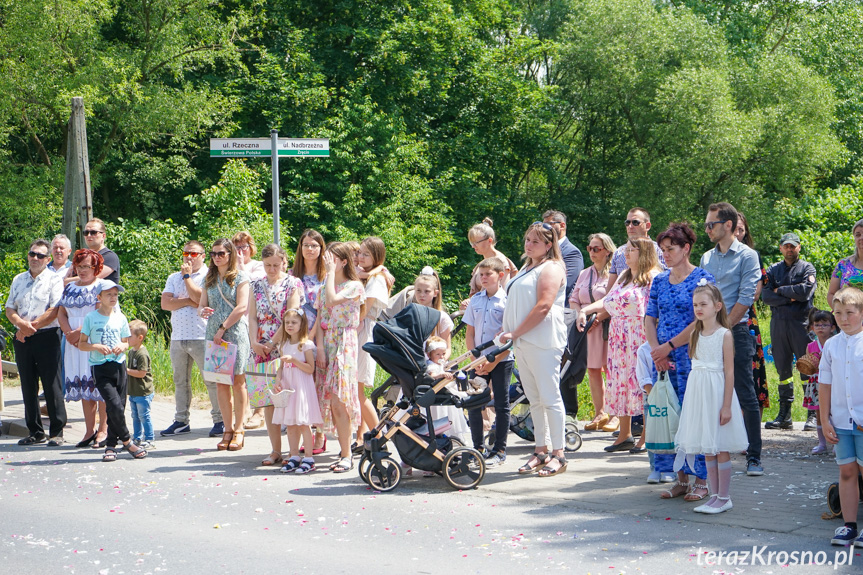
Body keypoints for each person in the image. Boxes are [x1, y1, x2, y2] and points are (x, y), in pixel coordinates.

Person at [643, 223, 712, 500]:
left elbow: (702, 320)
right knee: (671, 417)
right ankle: (680, 478)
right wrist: (656, 351)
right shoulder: (659, 280)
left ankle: (703, 480)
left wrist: (670, 346)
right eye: (662, 250)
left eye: (670, 249)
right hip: (663, 360)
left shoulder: (703, 279)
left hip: (692, 358)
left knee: (695, 416)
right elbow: (650, 317)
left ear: (686, 248)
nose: (665, 255)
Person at [700, 202, 764, 477]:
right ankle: (715, 449)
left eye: (711, 224)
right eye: (705, 224)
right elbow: (702, 295)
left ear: (728, 225)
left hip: (734, 330)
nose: (707, 229)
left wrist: (722, 329)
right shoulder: (705, 257)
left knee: (744, 391)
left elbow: (746, 297)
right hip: (707, 331)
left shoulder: (748, 256)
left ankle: (754, 456)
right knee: (710, 391)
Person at [579, 237, 661, 452]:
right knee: (620, 383)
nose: (626, 253)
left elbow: (657, 309)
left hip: (640, 335)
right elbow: (607, 301)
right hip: (618, 336)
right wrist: (586, 310)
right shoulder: (624, 276)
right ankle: (624, 434)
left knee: (641, 383)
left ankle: (647, 434)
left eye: (632, 250)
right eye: (627, 249)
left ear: (644, 253)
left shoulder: (653, 277)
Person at [500, 222, 569, 477]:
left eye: (535, 242)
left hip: (543, 340)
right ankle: (541, 450)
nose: (529, 245)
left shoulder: (551, 267)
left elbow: (543, 306)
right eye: (527, 240)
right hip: (524, 342)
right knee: (535, 399)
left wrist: (515, 332)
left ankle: (559, 454)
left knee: (550, 398)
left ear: (549, 245)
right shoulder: (528, 267)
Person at [674, 282, 748, 514]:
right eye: (695, 304)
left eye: (703, 304)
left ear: (717, 306)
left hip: (717, 393)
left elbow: (729, 371)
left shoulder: (724, 334)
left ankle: (724, 497)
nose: (698, 308)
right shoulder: (695, 333)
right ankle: (714, 496)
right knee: (708, 447)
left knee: (720, 445)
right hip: (699, 394)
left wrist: (726, 406)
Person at [78, 280, 148, 462]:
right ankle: (127, 441)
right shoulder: (91, 318)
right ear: (99, 297)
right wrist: (96, 346)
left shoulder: (121, 317)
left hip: (119, 366)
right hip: (100, 367)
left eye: (115, 294)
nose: (113, 298)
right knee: (113, 405)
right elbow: (81, 344)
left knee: (118, 408)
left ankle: (110, 446)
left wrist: (122, 346)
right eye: (109, 294)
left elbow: (126, 342)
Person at [4, 239, 66, 446]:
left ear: (48, 259)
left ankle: (57, 432)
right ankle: (35, 431)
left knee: (51, 383)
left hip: (47, 335)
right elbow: (9, 308)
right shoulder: (18, 279)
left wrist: (30, 328)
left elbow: (54, 310)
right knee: (28, 384)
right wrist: (21, 326)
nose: (35, 258)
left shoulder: (54, 279)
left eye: (40, 255)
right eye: (32, 254)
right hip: (22, 337)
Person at [160, 241, 223, 438]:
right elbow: (165, 304)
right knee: (180, 380)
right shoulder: (173, 277)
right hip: (178, 336)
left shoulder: (209, 275)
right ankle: (181, 420)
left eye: (194, 254)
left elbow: (200, 299)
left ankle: (220, 420)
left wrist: (187, 278)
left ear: (203, 256)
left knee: (211, 380)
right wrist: (187, 301)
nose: (189, 257)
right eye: (185, 253)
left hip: (201, 335)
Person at [248, 243, 303, 465]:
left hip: (285, 344)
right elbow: (252, 316)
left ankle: (294, 450)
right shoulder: (255, 285)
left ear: (284, 263)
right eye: (267, 265)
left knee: (288, 396)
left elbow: (291, 315)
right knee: (268, 398)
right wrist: (254, 342)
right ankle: (275, 450)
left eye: (276, 265)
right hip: (261, 345)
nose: (271, 269)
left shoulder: (292, 284)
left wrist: (273, 342)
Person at [314, 242, 365, 473]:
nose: (327, 262)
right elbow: (320, 320)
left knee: (340, 400)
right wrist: (320, 349)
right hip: (328, 343)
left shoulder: (354, 286)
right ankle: (341, 450)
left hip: (345, 343)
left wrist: (330, 276)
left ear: (344, 261)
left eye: (332, 259)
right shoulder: (324, 286)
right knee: (328, 400)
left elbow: (333, 301)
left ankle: (347, 454)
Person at [818, 286, 863, 546]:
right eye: (838, 313)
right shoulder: (832, 345)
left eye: (849, 312)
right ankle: (848, 526)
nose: (843, 318)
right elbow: (825, 383)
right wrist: (825, 420)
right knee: (846, 471)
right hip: (841, 422)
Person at [199, 238, 251, 451]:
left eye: (221, 253)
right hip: (214, 333)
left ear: (230, 254)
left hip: (234, 332)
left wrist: (223, 327)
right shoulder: (208, 278)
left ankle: (239, 429)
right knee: (221, 383)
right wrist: (202, 311)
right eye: (213, 254)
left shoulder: (241, 277)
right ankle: (227, 429)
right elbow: (202, 304)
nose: (216, 257)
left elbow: (241, 307)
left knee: (238, 383)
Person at [761, 232, 817, 430]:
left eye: (793, 246)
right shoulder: (773, 270)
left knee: (807, 369)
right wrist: (789, 296)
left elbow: (804, 292)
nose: (790, 249)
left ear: (799, 247)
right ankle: (785, 416)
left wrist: (780, 291)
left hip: (801, 325)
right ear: (781, 248)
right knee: (783, 371)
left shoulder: (807, 268)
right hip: (778, 325)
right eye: (786, 246)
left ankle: (812, 414)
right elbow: (766, 296)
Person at [414, 266, 471, 445]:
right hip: (418, 368)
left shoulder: (441, 317)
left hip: (435, 368)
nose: (422, 295)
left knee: (440, 408)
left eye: (426, 291)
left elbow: (448, 347)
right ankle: (413, 448)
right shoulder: (412, 315)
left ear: (435, 293)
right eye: (418, 291)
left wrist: (439, 359)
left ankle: (444, 445)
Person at [464, 257, 513, 467]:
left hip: (501, 359)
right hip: (478, 361)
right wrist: (475, 360)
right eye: (480, 275)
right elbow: (470, 332)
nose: (483, 278)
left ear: (500, 276)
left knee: (501, 404)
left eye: (488, 274)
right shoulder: (475, 300)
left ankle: (499, 449)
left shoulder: (507, 301)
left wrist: (494, 361)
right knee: (475, 403)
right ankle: (477, 447)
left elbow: (511, 336)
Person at [58, 249, 109, 447]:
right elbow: (61, 312)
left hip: (94, 341)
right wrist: (68, 333)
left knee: (99, 387)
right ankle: (89, 431)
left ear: (96, 267)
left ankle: (103, 430)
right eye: (79, 266)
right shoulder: (70, 288)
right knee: (84, 386)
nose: (82, 270)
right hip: (74, 344)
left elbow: (101, 313)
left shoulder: (101, 287)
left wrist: (78, 333)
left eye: (87, 266)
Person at [570, 233, 616, 432]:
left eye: (596, 249)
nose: (592, 252)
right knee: (593, 369)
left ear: (607, 251)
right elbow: (574, 298)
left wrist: (598, 317)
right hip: (586, 326)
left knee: (611, 369)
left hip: (606, 325)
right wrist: (579, 315)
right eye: (590, 248)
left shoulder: (614, 274)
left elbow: (614, 301)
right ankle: (600, 412)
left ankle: (616, 414)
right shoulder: (584, 273)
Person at [290, 229, 328, 455]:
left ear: (321, 249)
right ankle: (305, 433)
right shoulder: (293, 275)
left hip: (320, 335)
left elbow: (323, 309)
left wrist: (312, 335)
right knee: (301, 387)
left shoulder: (327, 276)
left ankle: (320, 434)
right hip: (297, 337)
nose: (310, 249)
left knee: (318, 386)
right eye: (306, 245)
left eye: (314, 245)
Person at [273, 308, 323, 474]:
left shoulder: (306, 345)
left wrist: (294, 360)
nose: (290, 325)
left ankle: (309, 457)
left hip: (301, 388)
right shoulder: (284, 345)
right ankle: (294, 455)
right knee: (291, 424)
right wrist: (278, 379)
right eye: (287, 322)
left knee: (303, 423)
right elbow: (280, 367)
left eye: (294, 322)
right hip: (288, 387)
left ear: (302, 324)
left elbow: (310, 368)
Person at [355, 237, 391, 448]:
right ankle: (367, 436)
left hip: (363, 330)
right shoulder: (366, 275)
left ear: (377, 256)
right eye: (360, 252)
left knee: (358, 391)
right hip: (356, 329)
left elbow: (363, 312)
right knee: (354, 391)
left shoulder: (377, 279)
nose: (360, 257)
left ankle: (379, 436)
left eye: (366, 254)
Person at [733, 214, 770, 416]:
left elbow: (754, 293)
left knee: (750, 368)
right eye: (735, 229)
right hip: (721, 318)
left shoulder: (752, 255)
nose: (738, 234)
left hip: (747, 318)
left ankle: (751, 422)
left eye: (741, 229)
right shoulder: (713, 257)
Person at [232, 231, 266, 429]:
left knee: (256, 368)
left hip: (255, 323)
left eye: (244, 247)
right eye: (236, 247)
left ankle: (259, 411)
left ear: (251, 247)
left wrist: (242, 266)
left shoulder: (257, 266)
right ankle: (242, 410)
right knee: (239, 370)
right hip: (237, 325)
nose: (240, 251)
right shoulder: (229, 268)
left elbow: (255, 286)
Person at [460, 218, 518, 309]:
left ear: (489, 241)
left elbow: (503, 293)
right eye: (471, 243)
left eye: (476, 243)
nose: (473, 246)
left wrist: (473, 302)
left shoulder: (501, 262)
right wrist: (469, 302)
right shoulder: (481, 263)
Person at [606, 207, 666, 292]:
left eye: (635, 222)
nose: (630, 226)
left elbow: (669, 282)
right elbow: (610, 290)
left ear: (647, 226)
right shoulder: (619, 252)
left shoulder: (661, 251)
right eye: (627, 223)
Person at [804, 308, 837, 455]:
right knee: (819, 413)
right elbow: (808, 367)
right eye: (817, 325)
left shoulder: (836, 343)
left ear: (833, 328)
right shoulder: (810, 346)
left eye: (824, 324)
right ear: (812, 327)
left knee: (835, 413)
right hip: (816, 383)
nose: (820, 328)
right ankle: (822, 443)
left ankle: (837, 443)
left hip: (834, 383)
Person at [542, 210, 584, 302]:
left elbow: (566, 284)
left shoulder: (572, 253)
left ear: (562, 225)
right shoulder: (543, 249)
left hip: (560, 308)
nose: (544, 229)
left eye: (549, 224)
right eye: (543, 225)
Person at [126, 320, 155, 450]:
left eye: (130, 335)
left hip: (143, 392)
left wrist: (125, 371)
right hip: (134, 391)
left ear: (140, 337)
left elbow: (142, 373)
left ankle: (150, 439)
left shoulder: (142, 354)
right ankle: (137, 438)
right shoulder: (131, 351)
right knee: (135, 416)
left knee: (144, 416)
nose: (127, 338)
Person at [827, 218, 863, 309]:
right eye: (858, 235)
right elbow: (831, 294)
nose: (861, 237)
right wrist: (842, 314)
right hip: (849, 319)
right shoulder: (843, 264)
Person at [81, 218, 120, 284]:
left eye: (93, 232)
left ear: (103, 236)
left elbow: (88, 279)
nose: (89, 235)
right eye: (86, 232)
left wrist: (67, 281)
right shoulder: (82, 257)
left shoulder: (110, 257)